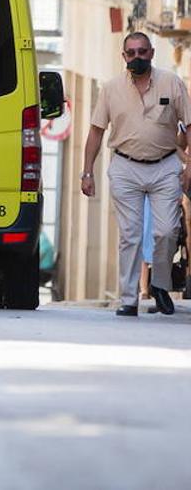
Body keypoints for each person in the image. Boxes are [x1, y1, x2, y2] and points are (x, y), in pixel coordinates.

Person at [81, 31, 191, 317]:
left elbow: (189, 126)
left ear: (152, 53)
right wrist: (86, 172)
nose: (137, 57)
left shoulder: (172, 82)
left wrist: (189, 166)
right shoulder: (111, 88)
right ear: (124, 56)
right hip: (125, 166)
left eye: (142, 52)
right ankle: (128, 299)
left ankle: (160, 285)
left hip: (165, 165)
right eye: (132, 53)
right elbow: (95, 132)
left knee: (167, 231)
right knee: (130, 235)